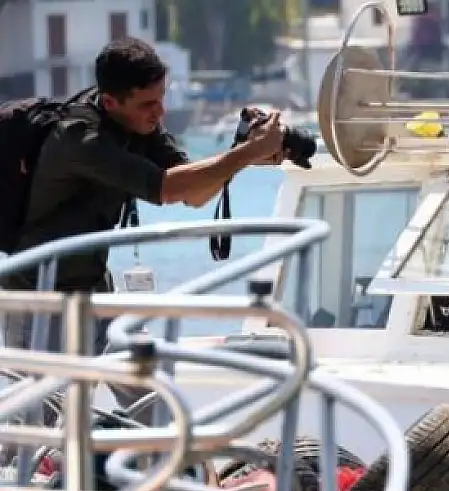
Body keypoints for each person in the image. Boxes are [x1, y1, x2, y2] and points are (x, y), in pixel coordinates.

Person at [2, 38, 284, 357]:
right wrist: (245, 154)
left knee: (149, 390)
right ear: (110, 103)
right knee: (45, 405)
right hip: (40, 300)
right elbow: (166, 188)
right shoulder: (80, 139)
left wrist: (244, 152)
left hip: (93, 287)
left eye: (161, 98)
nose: (160, 111)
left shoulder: (138, 124)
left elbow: (192, 194)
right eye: (148, 104)